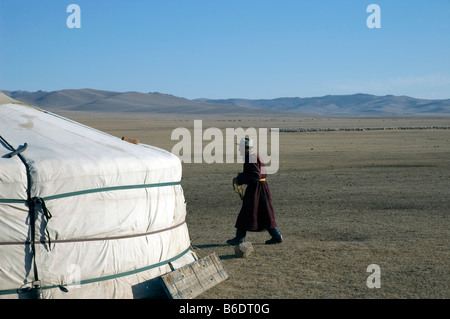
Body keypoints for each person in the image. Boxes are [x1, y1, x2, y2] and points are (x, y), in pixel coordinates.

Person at [227, 137, 283, 245]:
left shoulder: (250, 158)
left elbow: (255, 175)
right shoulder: (254, 156)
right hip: (261, 187)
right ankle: (276, 236)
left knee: (247, 211)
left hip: (256, 188)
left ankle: (240, 237)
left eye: (240, 148)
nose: (239, 150)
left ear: (245, 148)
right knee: (265, 212)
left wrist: (240, 179)